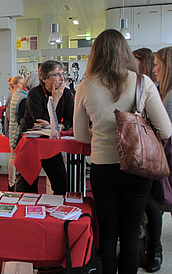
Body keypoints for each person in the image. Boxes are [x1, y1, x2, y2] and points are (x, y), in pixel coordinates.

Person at [74, 29, 172, 274]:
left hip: (102, 168)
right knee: (130, 235)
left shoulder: (86, 86)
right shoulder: (143, 82)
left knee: (107, 235)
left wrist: (101, 135)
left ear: (96, 55)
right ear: (125, 52)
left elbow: (80, 135)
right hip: (138, 168)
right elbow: (166, 130)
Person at [16, 60, 74, 193]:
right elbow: (40, 120)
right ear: (44, 78)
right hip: (31, 142)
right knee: (28, 183)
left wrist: (58, 125)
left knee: (61, 182)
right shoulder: (35, 93)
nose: (62, 78)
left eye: (62, 74)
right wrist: (55, 99)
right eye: (57, 74)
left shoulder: (66, 93)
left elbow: (70, 119)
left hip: (50, 142)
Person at [132, 47, 164, 272]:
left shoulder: (154, 88)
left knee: (153, 205)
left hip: (155, 154)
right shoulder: (138, 86)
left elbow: (165, 128)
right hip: (144, 152)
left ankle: (155, 248)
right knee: (147, 203)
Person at [8, 73, 39, 191]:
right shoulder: (25, 98)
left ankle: (11, 185)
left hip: (14, 131)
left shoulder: (16, 94)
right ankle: (13, 185)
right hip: (19, 134)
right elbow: (22, 118)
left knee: (14, 159)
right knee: (18, 162)